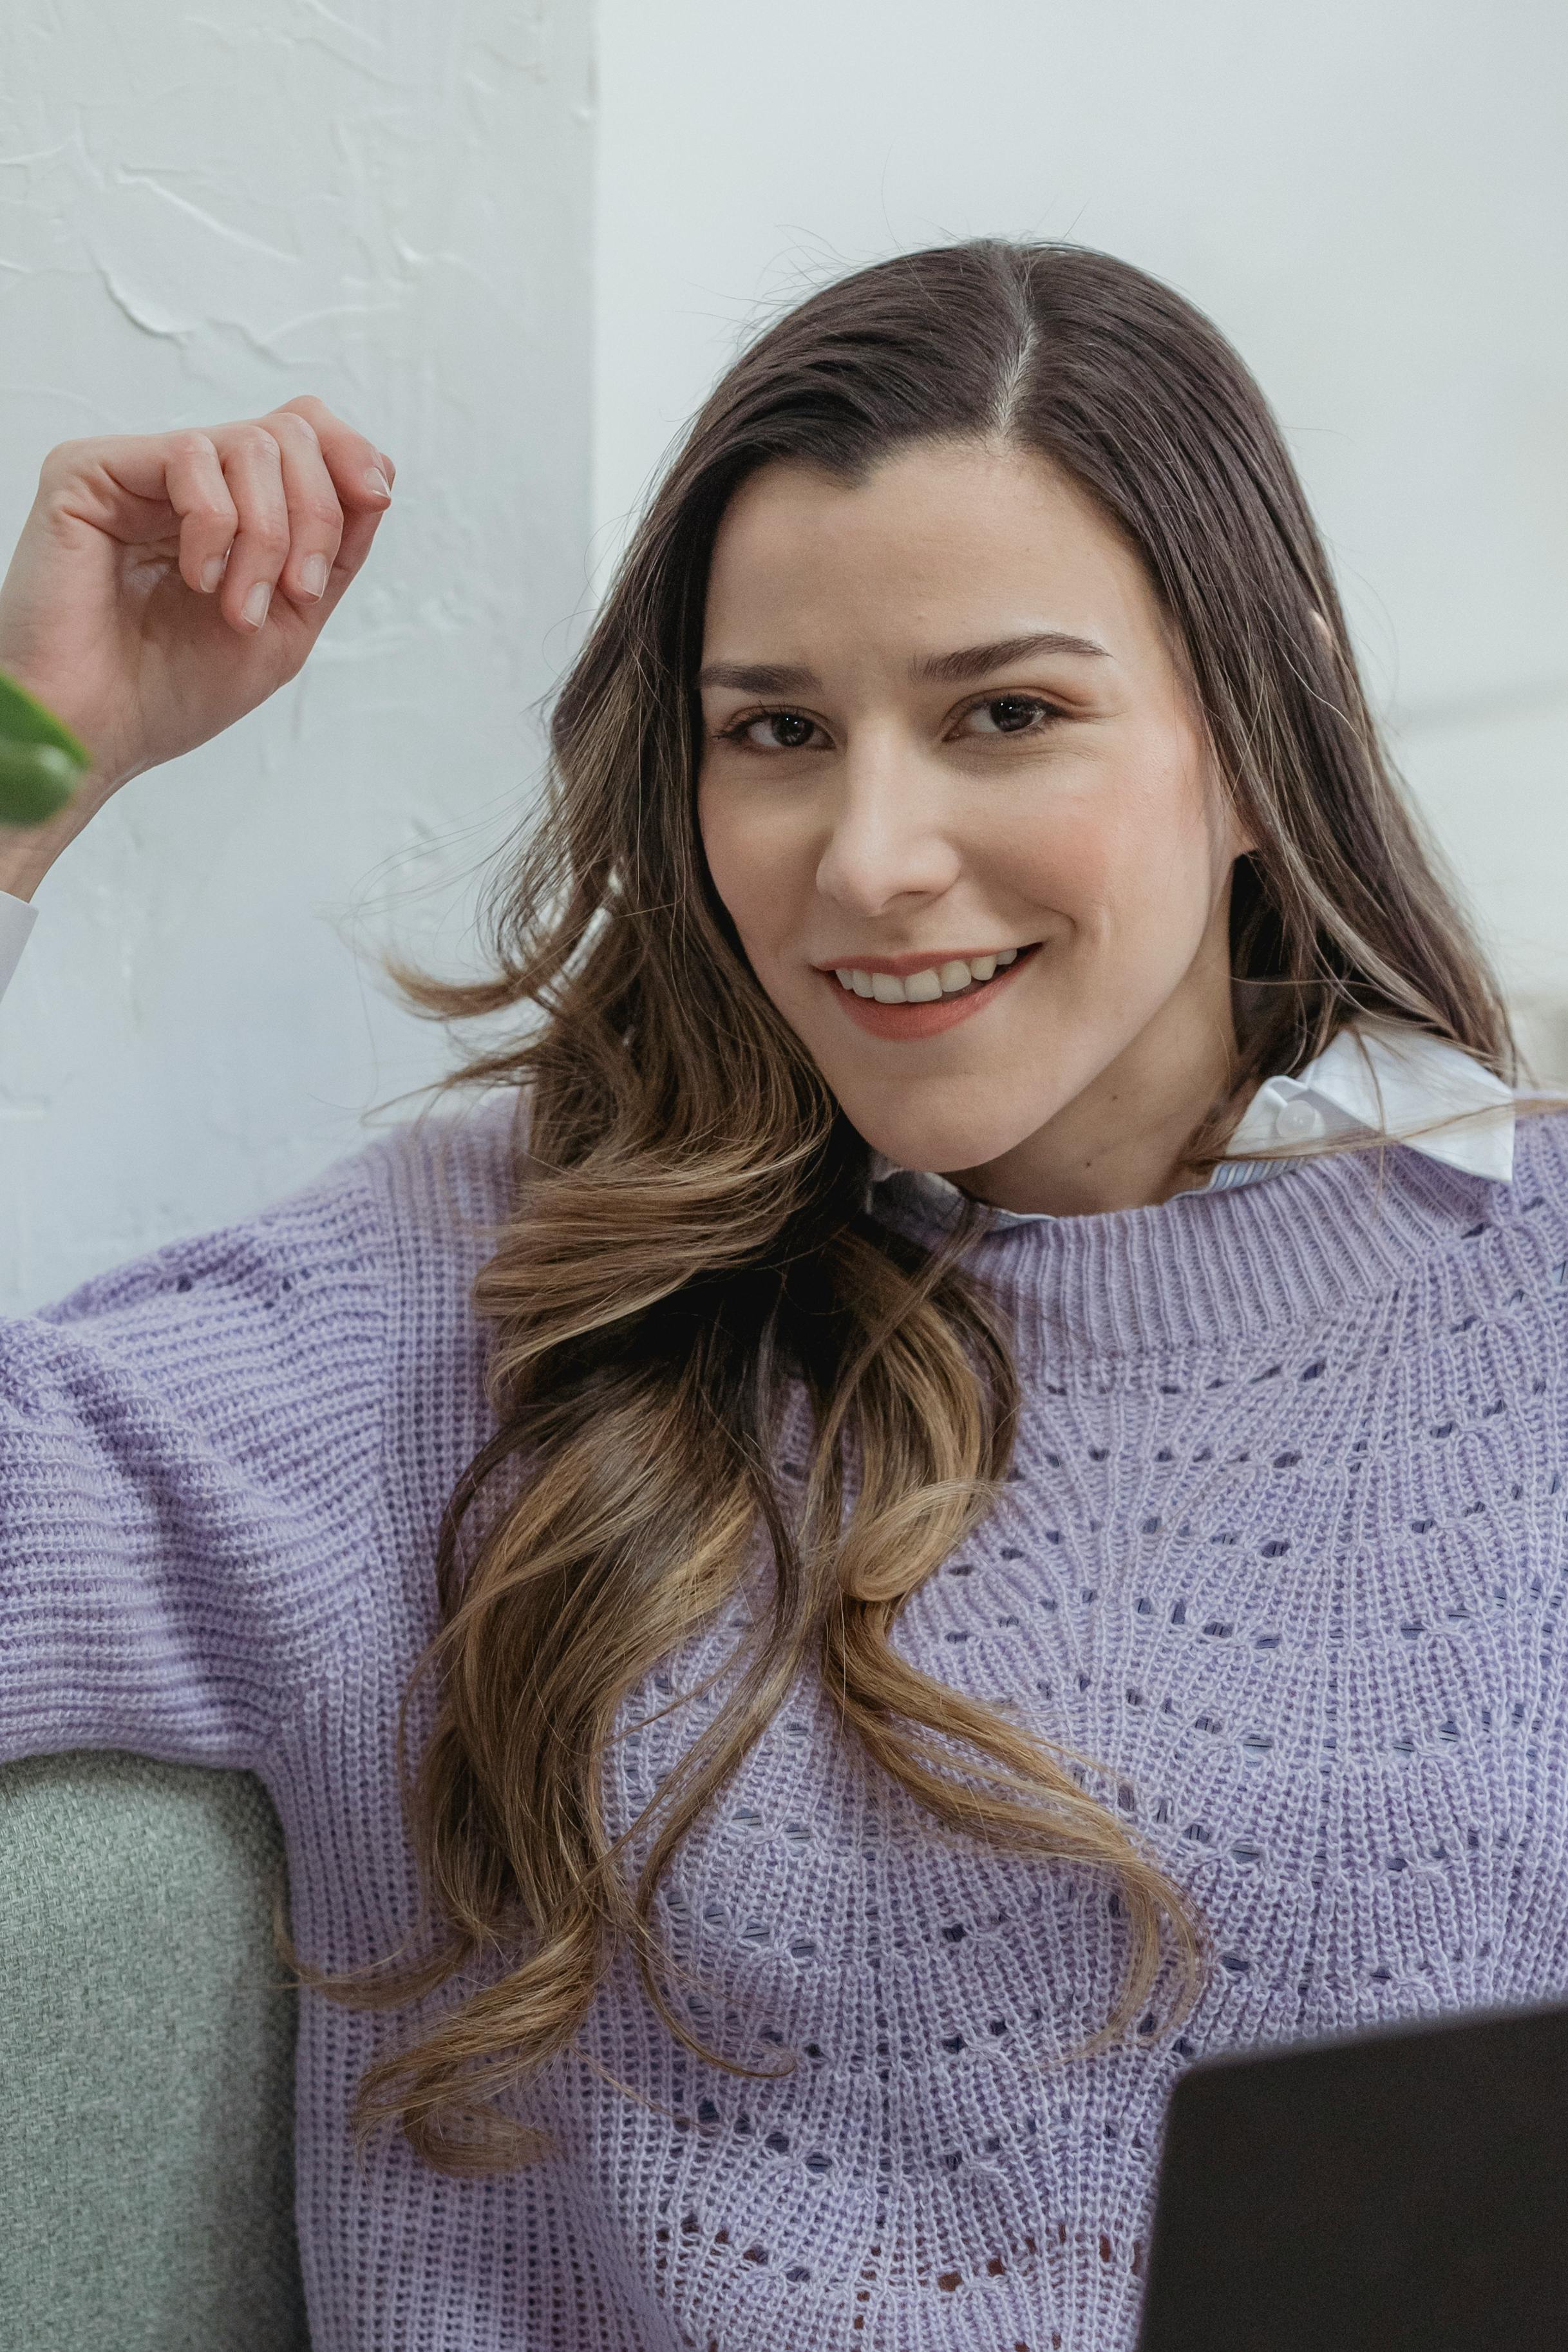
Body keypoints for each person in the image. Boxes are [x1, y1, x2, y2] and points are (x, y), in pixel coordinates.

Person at [0, 240, 1558, 2352]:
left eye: (1005, 714)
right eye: (778, 733)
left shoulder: (1522, 1274)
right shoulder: (466, 1301)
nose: (870, 856)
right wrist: (18, 765)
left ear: (1252, 737)